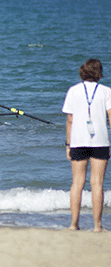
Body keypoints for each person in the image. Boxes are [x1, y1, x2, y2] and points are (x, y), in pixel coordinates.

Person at [62, 58, 111, 232]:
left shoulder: (73, 91)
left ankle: (74, 223)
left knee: (77, 182)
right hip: (100, 141)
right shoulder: (106, 91)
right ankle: (97, 226)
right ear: (99, 73)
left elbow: (70, 119)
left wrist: (68, 144)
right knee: (97, 183)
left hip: (78, 140)